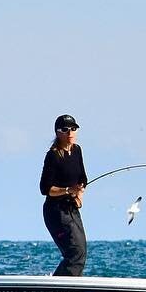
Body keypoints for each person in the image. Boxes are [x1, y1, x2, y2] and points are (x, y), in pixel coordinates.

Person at [39, 114, 88, 276]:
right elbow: (45, 189)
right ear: (58, 132)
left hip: (72, 209)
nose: (70, 133)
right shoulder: (53, 156)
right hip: (56, 211)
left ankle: (71, 286)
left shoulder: (77, 150)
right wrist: (67, 190)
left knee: (81, 251)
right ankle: (60, 288)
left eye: (73, 129)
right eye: (65, 129)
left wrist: (79, 195)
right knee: (75, 252)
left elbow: (82, 179)